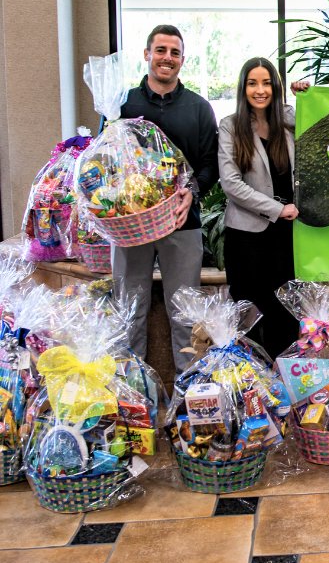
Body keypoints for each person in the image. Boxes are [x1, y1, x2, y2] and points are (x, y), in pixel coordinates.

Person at [112, 24, 219, 373]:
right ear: (147, 54)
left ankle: (189, 404)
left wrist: (193, 192)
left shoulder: (199, 108)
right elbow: (105, 160)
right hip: (130, 227)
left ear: (182, 60)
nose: (167, 58)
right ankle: (132, 399)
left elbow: (210, 163)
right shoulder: (122, 104)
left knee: (186, 317)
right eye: (160, 50)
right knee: (128, 312)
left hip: (181, 224)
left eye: (174, 53)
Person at [218, 57, 299, 359]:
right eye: (253, 83)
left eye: (266, 83)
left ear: (276, 88)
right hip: (246, 238)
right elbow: (231, 183)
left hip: (286, 238)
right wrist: (277, 210)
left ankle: (287, 387)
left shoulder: (288, 121)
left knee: (286, 314)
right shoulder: (230, 126)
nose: (260, 90)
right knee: (249, 316)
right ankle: (252, 390)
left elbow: (319, 123)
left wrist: (305, 94)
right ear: (244, 88)